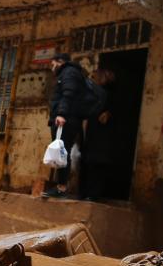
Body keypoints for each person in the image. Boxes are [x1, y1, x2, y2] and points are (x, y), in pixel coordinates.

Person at [43, 53, 88, 198]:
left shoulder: (68, 73)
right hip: (70, 118)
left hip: (66, 119)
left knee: (62, 153)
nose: (52, 68)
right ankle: (60, 187)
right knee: (62, 152)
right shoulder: (72, 73)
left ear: (59, 62)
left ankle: (61, 188)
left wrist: (61, 114)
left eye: (52, 64)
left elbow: (68, 94)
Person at [79, 69, 116, 201]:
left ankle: (93, 194)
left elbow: (108, 114)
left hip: (101, 136)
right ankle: (84, 193)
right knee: (87, 163)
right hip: (90, 134)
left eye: (94, 78)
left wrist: (107, 114)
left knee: (97, 164)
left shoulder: (108, 95)